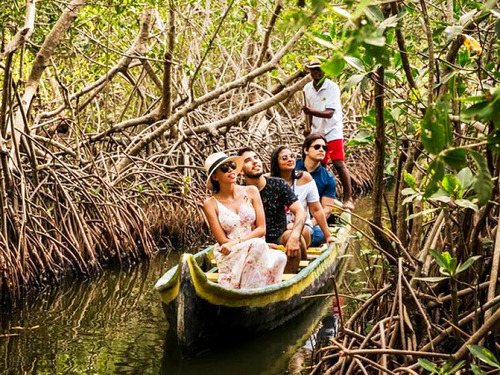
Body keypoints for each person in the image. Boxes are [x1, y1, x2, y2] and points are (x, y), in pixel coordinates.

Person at [202, 152, 287, 289]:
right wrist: (246, 244)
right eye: (224, 168)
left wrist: (248, 243)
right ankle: (245, 292)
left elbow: (261, 229)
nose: (230, 170)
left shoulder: (252, 191)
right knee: (258, 245)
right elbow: (222, 241)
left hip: (256, 245)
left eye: (232, 165)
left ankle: (253, 292)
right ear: (215, 177)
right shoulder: (210, 204)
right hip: (231, 252)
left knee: (280, 257)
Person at [237, 147, 307, 273]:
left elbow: (300, 211)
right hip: (253, 243)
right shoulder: (240, 193)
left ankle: (288, 279)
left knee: (295, 238)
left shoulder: (278, 184)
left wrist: (295, 236)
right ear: (241, 171)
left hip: (279, 240)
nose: (255, 162)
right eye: (248, 160)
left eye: (256, 158)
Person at [302, 57, 354, 210]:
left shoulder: (332, 87)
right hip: (316, 132)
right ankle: (319, 197)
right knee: (319, 166)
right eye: (314, 69)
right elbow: (308, 112)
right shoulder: (307, 89)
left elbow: (330, 113)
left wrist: (310, 111)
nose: (317, 72)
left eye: (320, 69)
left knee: (338, 163)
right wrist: (308, 129)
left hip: (332, 130)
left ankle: (348, 198)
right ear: (310, 71)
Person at [269, 145, 334, 247]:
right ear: (276, 163)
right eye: (284, 158)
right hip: (278, 230)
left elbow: (316, 210)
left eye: (292, 156)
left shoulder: (305, 178)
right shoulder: (268, 181)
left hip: (303, 227)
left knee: (300, 232)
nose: (290, 160)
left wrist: (328, 236)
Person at [296, 134, 338, 247]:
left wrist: (309, 225)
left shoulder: (328, 178)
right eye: (317, 147)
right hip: (288, 216)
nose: (321, 150)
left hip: (311, 221)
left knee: (320, 235)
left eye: (324, 148)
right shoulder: (292, 167)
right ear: (306, 150)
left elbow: (327, 210)